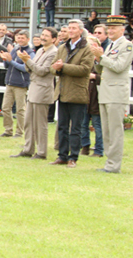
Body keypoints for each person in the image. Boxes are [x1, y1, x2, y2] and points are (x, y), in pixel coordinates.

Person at [90, 15, 133, 173]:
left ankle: (114, 165)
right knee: (106, 129)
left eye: (114, 28)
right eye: (109, 28)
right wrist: (97, 59)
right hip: (106, 91)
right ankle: (109, 163)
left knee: (115, 130)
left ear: (122, 29)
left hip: (116, 92)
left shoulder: (126, 45)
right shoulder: (110, 46)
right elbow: (102, 69)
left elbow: (119, 66)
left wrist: (101, 56)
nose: (110, 30)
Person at [49, 19, 94, 168]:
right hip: (62, 92)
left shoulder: (86, 48)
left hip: (77, 93)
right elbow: (53, 67)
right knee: (62, 126)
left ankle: (73, 157)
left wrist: (63, 67)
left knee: (75, 128)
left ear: (80, 31)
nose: (71, 30)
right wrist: (56, 68)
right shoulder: (62, 47)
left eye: (74, 28)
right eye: (69, 28)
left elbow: (85, 69)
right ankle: (62, 155)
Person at [11, 27, 58, 159]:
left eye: (46, 36)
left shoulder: (53, 52)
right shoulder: (40, 51)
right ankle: (28, 149)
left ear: (54, 39)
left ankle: (42, 152)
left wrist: (27, 60)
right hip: (33, 89)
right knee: (28, 122)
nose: (43, 37)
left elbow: (43, 71)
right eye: (42, 35)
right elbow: (30, 69)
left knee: (40, 124)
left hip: (43, 90)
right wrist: (27, 61)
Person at [0, 30, 34, 138]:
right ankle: (8, 130)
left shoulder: (30, 52)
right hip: (10, 82)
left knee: (20, 109)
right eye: (18, 37)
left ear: (27, 39)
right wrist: (5, 59)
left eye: (22, 38)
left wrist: (11, 61)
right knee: (5, 107)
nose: (20, 40)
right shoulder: (15, 50)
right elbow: (7, 65)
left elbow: (25, 68)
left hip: (21, 84)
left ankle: (19, 132)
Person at [81, 36, 104, 157]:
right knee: (83, 124)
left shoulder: (102, 60)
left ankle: (99, 149)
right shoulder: (84, 59)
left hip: (97, 96)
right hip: (84, 95)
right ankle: (85, 146)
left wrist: (95, 77)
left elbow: (109, 76)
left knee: (97, 125)